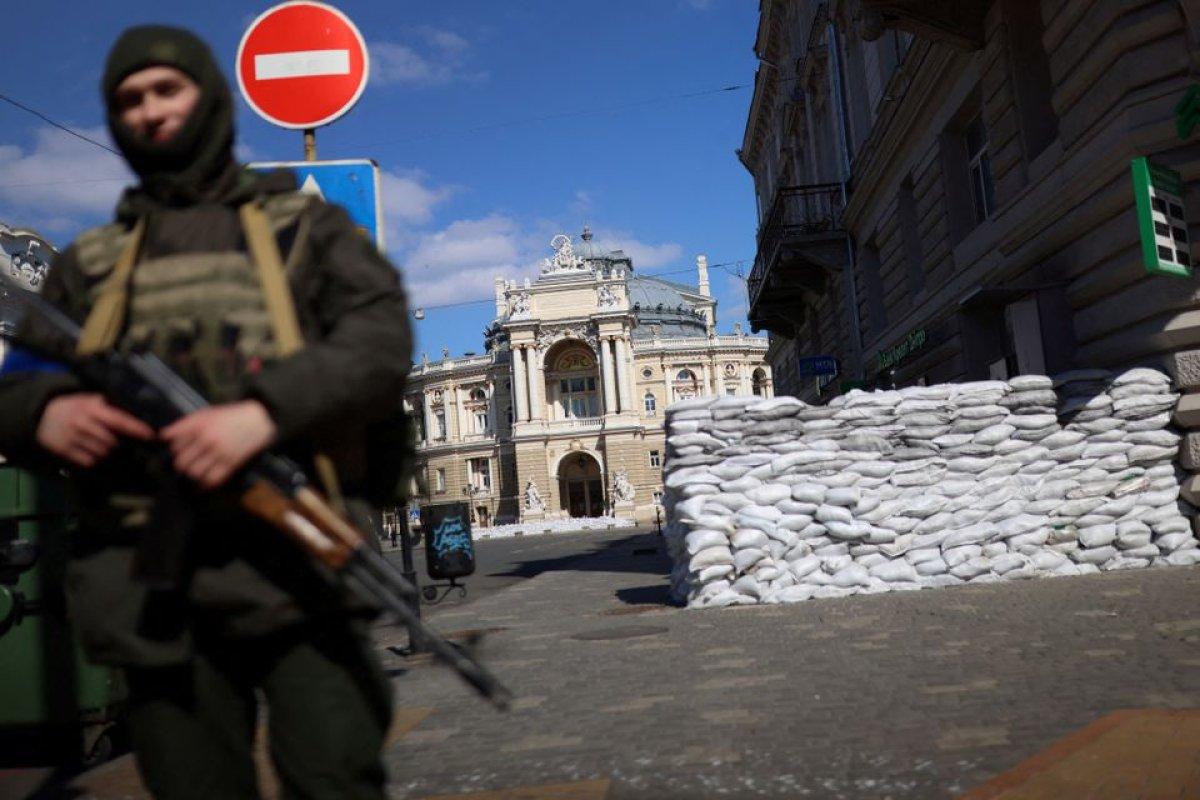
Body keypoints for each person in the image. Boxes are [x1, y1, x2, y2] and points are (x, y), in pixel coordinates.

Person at [0, 26, 411, 800]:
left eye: (167, 89)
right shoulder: (91, 265)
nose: (151, 111)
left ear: (209, 96)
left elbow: (379, 340)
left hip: (298, 569)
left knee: (335, 775)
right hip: (152, 590)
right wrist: (47, 411)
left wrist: (261, 415)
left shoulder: (306, 230)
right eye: (129, 99)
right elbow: (18, 382)